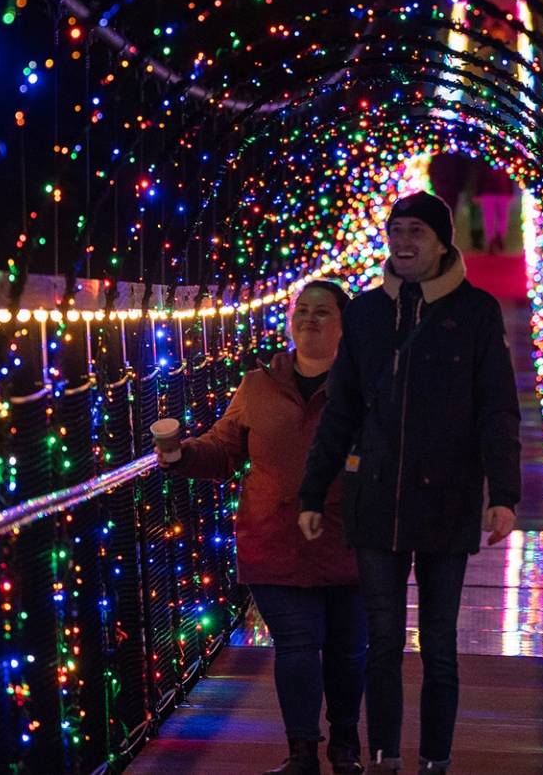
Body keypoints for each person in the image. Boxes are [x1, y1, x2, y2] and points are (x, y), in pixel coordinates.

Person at [296, 191, 521, 775]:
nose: (402, 241)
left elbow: (497, 408)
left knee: (440, 648)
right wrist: (313, 493)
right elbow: (340, 411)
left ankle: (434, 761)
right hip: (377, 502)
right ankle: (385, 758)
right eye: (396, 230)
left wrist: (504, 496)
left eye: (416, 231)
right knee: (384, 645)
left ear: (442, 241)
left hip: (447, 502)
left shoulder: (476, 312)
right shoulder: (368, 313)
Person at [159, 279, 367, 775]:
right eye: (303, 311)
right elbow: (224, 449)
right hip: (275, 540)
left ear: (345, 325)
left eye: (323, 312)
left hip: (351, 541)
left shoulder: (370, 384)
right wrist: (180, 453)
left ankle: (344, 744)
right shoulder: (257, 385)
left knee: (345, 650)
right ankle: (301, 753)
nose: (310, 319)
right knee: (296, 644)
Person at [473, 166, 516, 254]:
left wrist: (477, 193)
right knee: (498, 218)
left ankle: (494, 240)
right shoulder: (505, 160)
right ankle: (496, 240)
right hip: (499, 191)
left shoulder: (486, 160)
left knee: (491, 218)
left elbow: (480, 176)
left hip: (492, 192)